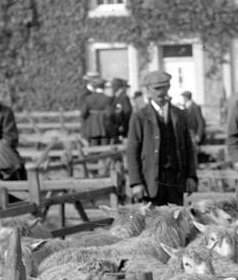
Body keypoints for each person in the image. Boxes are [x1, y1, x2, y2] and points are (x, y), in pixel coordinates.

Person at [124, 70, 197, 206]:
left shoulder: (179, 114)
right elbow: (132, 151)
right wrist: (136, 182)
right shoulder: (140, 117)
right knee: (153, 223)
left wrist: (191, 176)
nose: (161, 92)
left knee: (175, 222)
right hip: (150, 181)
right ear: (148, 91)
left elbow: (188, 148)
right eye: (157, 89)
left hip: (175, 180)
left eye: (165, 87)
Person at [81, 76, 114, 146]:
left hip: (92, 127)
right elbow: (109, 114)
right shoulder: (107, 99)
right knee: (105, 148)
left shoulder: (88, 98)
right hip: (104, 127)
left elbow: (83, 113)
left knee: (93, 147)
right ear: (103, 87)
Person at [109, 78, 132, 142]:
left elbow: (127, 111)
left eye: (113, 86)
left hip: (122, 125)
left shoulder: (123, 97)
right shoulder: (117, 96)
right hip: (118, 125)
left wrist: (121, 124)